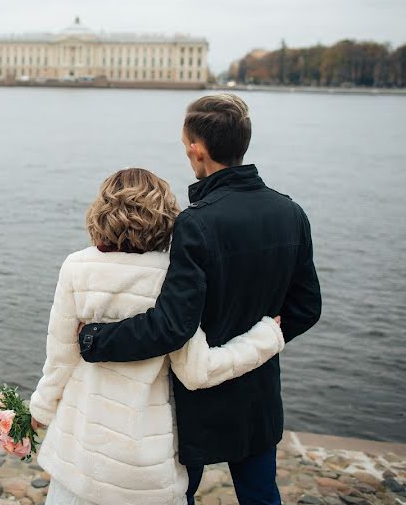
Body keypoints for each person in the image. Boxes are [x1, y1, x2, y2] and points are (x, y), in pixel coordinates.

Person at [77, 94, 323, 505]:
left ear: (196, 148)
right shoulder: (290, 212)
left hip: (199, 396)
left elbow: (173, 325)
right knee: (261, 495)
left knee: (180, 494)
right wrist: (264, 338)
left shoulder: (196, 222)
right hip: (258, 393)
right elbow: (306, 308)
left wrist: (94, 339)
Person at [29, 167, 287, 505]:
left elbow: (60, 359)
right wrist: (267, 336)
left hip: (80, 450)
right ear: (166, 215)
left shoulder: (76, 267)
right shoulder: (174, 275)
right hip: (145, 460)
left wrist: (38, 414)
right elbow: (198, 371)